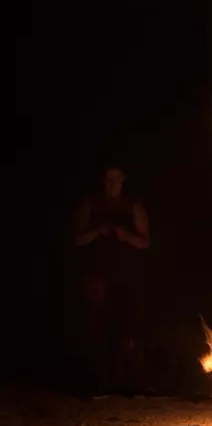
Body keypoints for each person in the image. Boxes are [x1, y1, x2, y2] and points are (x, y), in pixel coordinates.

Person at [73, 164, 151, 396]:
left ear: (123, 180)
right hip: (97, 277)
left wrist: (124, 235)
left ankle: (128, 382)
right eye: (108, 179)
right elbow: (76, 239)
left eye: (115, 179)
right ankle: (99, 383)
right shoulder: (91, 204)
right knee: (97, 328)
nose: (111, 184)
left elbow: (146, 242)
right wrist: (97, 231)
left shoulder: (132, 207)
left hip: (126, 277)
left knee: (127, 329)